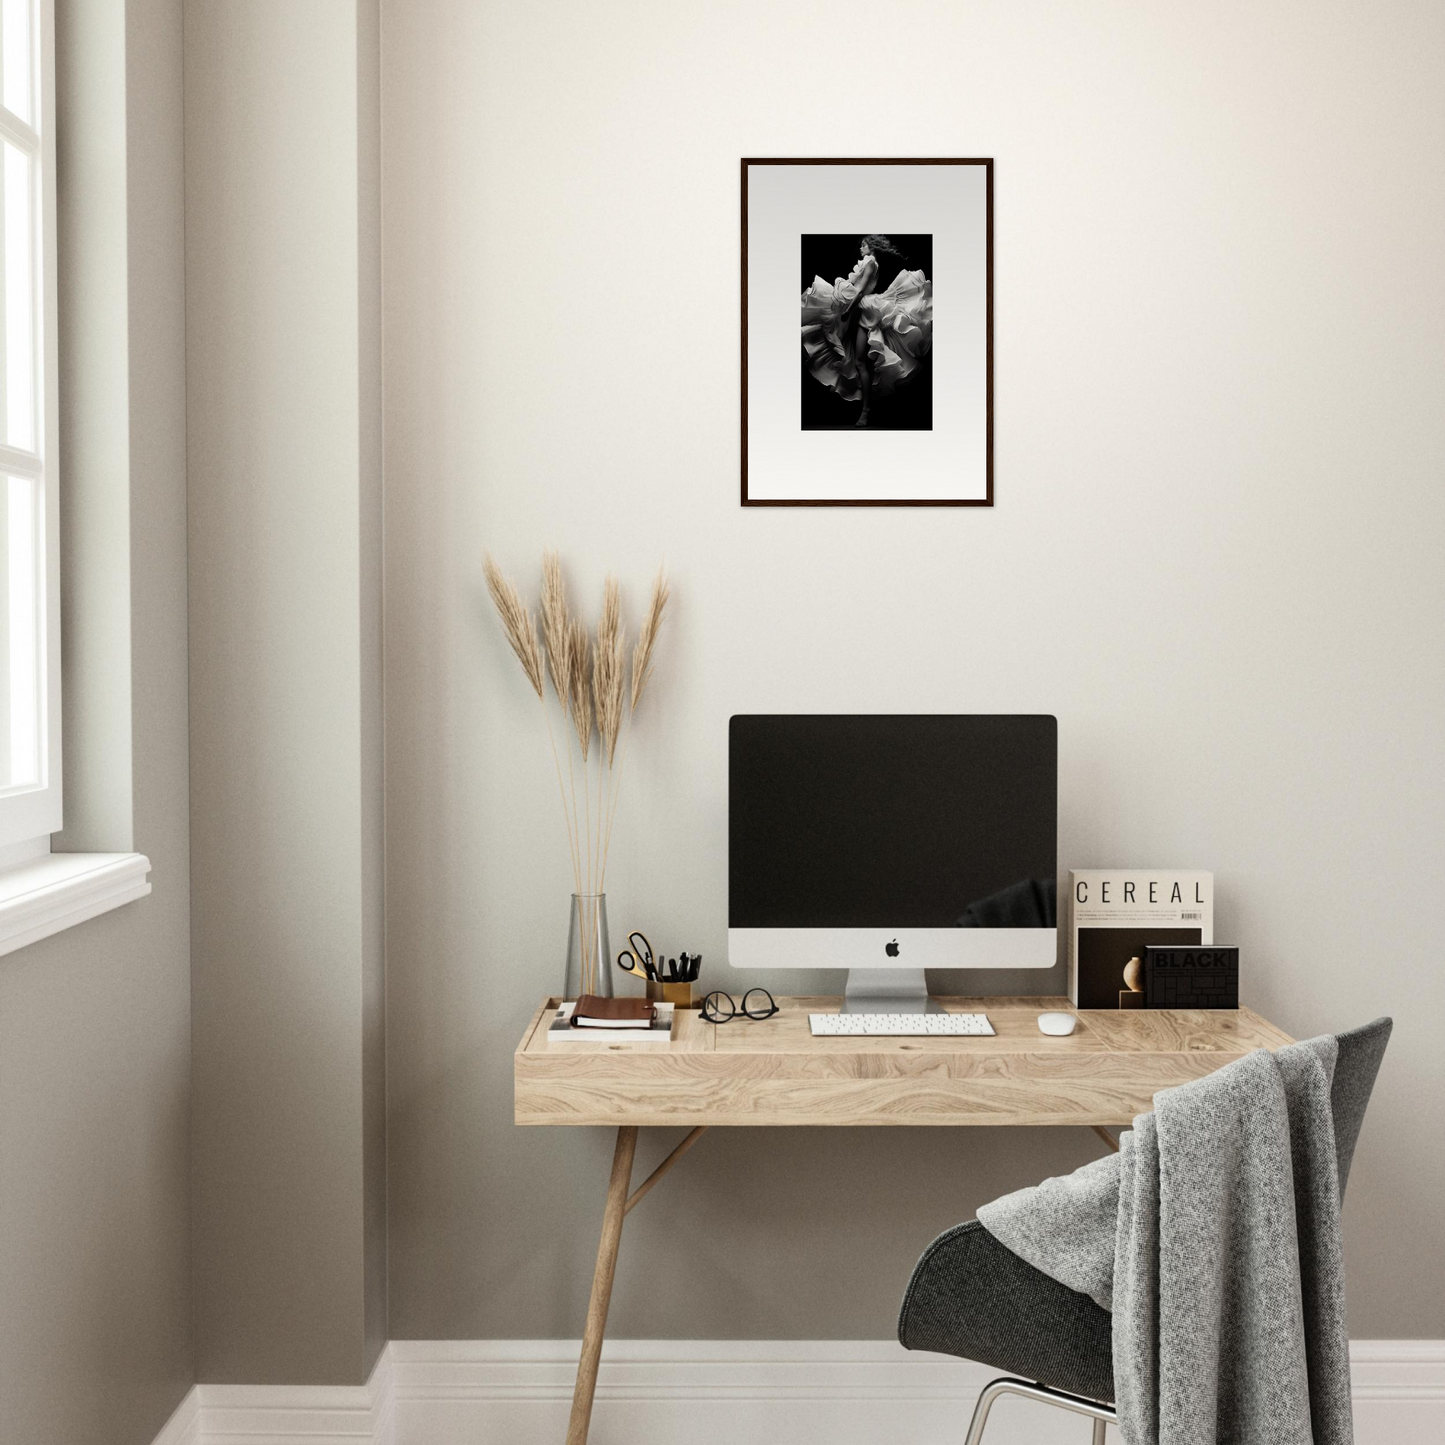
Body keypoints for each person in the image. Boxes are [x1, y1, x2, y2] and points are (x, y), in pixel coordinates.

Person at [800, 235, 933, 427]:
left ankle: (866, 411)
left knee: (862, 361)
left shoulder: (871, 263)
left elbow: (861, 290)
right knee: (849, 353)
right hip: (856, 309)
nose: (861, 247)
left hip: (863, 309)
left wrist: (846, 309)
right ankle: (848, 393)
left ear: (872, 246)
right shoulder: (865, 263)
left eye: (864, 244)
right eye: (861, 244)